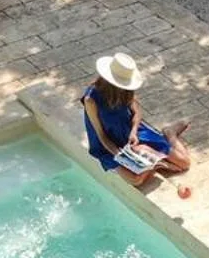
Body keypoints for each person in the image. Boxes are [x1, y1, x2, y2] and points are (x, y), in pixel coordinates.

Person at [82, 53, 191, 185]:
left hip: (133, 134)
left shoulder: (126, 91)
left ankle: (169, 134)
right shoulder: (91, 100)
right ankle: (158, 164)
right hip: (109, 145)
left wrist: (134, 131)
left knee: (184, 163)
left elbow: (137, 112)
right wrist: (122, 155)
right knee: (135, 180)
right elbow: (101, 135)